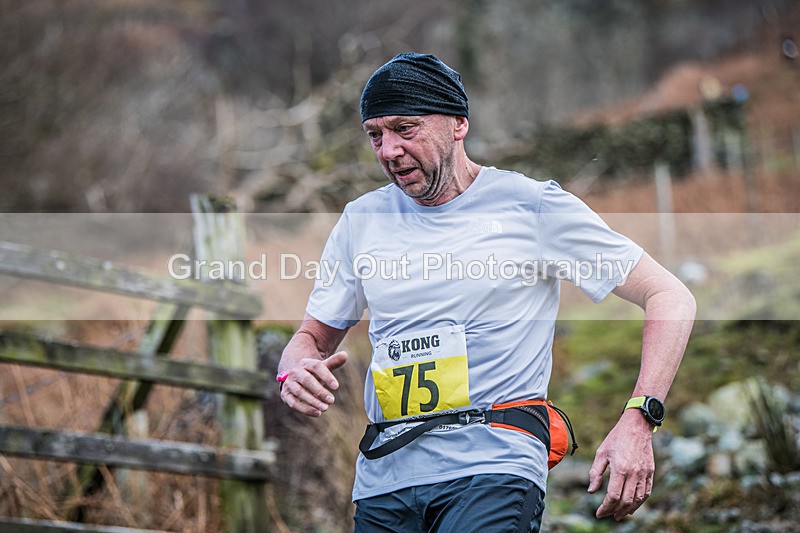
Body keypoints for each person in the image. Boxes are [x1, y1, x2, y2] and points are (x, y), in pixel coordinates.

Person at [277, 53, 696, 532]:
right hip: (386, 477)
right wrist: (294, 370)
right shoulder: (361, 220)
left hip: (494, 467)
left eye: (405, 128)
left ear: (458, 124)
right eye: (376, 134)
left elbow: (670, 296)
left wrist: (640, 418)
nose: (388, 150)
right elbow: (311, 338)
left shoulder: (531, 207)